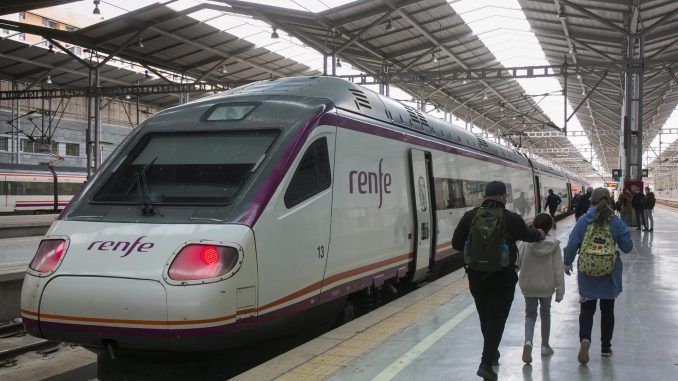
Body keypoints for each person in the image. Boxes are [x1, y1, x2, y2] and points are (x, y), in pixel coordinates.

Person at [452, 181, 545, 381]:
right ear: (503, 196)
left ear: (485, 196)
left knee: (485, 317)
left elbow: (456, 244)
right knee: (497, 319)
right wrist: (539, 234)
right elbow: (528, 236)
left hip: (476, 276)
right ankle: (486, 363)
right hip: (502, 276)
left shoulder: (470, 216)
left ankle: (492, 354)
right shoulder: (511, 218)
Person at [564, 188, 633, 364]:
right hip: (609, 272)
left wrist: (567, 262)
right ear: (609, 201)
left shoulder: (583, 220)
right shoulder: (615, 221)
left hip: (587, 272)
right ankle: (605, 348)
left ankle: (585, 339)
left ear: (591, 202)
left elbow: (572, 244)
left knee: (587, 310)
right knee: (607, 310)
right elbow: (627, 247)